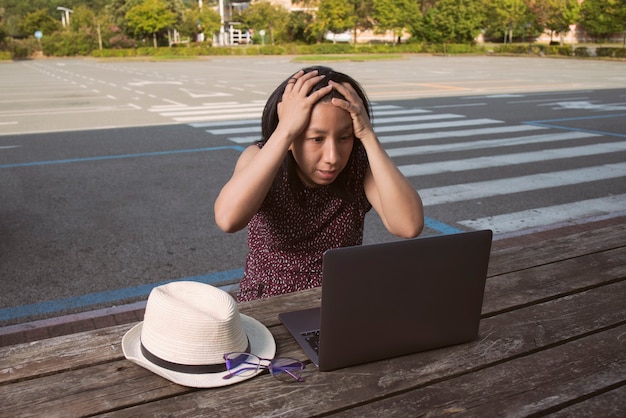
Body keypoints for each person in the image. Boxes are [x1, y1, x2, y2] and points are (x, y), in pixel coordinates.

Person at [214, 66, 424, 302]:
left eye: (344, 137)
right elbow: (228, 219)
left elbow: (408, 226)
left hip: (339, 301)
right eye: (317, 139)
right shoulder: (261, 157)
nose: (332, 157)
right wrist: (284, 132)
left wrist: (368, 135)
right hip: (268, 302)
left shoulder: (358, 165)